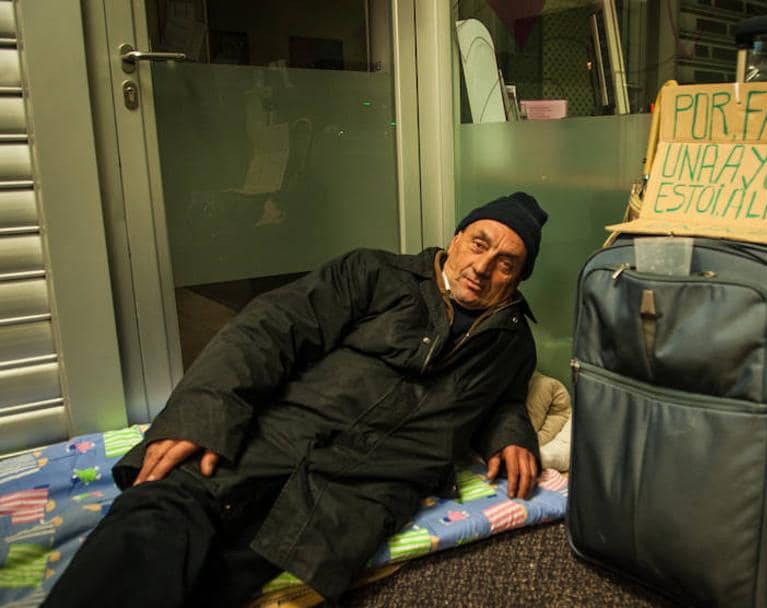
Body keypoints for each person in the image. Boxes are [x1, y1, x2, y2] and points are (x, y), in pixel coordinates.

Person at [43, 192, 549, 607]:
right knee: (158, 516)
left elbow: (503, 399)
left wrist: (511, 435)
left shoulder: (511, 342)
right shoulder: (374, 273)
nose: (482, 267)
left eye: (505, 264)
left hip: (356, 487)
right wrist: (200, 416)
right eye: (478, 244)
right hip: (275, 434)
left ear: (517, 281)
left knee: (223, 578)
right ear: (457, 237)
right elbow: (268, 329)